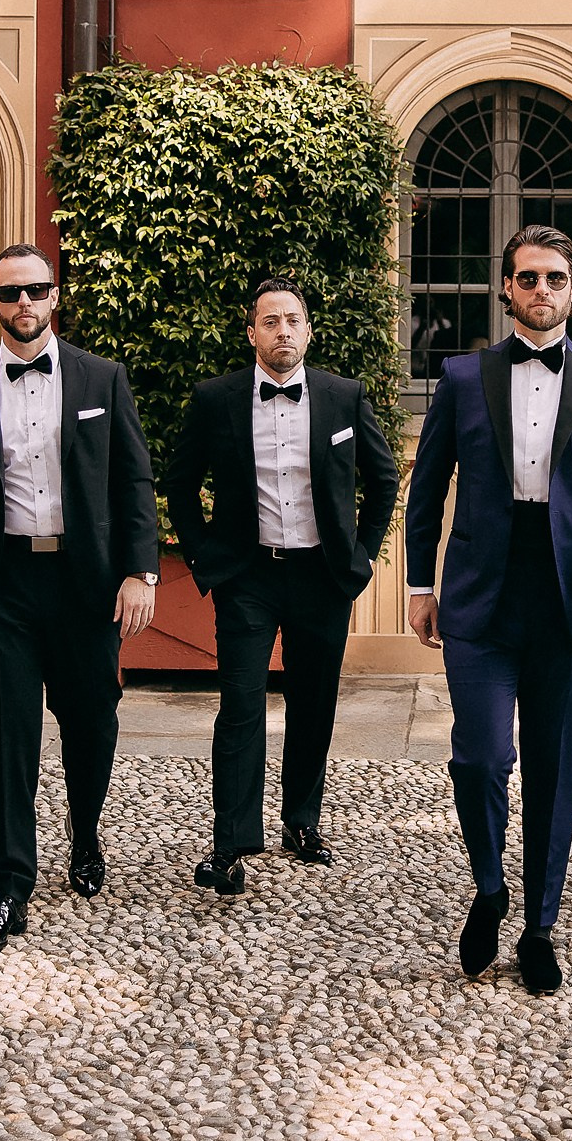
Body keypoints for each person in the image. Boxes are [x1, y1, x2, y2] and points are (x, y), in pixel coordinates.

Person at [406, 225, 572, 995]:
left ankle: (541, 925)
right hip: (482, 594)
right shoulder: (461, 376)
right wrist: (421, 585)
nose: (540, 290)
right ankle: (490, 887)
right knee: (479, 756)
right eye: (527, 278)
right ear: (506, 288)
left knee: (555, 771)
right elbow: (427, 488)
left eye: (554, 278)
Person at [0, 244, 162, 956]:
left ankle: (84, 833)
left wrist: (139, 573)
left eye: (36, 290)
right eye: (9, 293)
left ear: (54, 297)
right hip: (5, 585)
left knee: (92, 720)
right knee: (5, 735)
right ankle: (9, 886)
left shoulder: (101, 378)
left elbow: (134, 483)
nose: (24, 304)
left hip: (86, 584)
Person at [162, 278, 400, 895]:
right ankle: (231, 841)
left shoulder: (342, 396)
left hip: (322, 576)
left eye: (293, 320)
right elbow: (180, 483)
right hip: (249, 576)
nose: (283, 331)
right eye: (270, 322)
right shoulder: (216, 399)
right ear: (252, 333)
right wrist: (208, 557)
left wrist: (361, 558)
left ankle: (302, 820)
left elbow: (382, 480)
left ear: (309, 329)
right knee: (240, 706)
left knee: (313, 702)